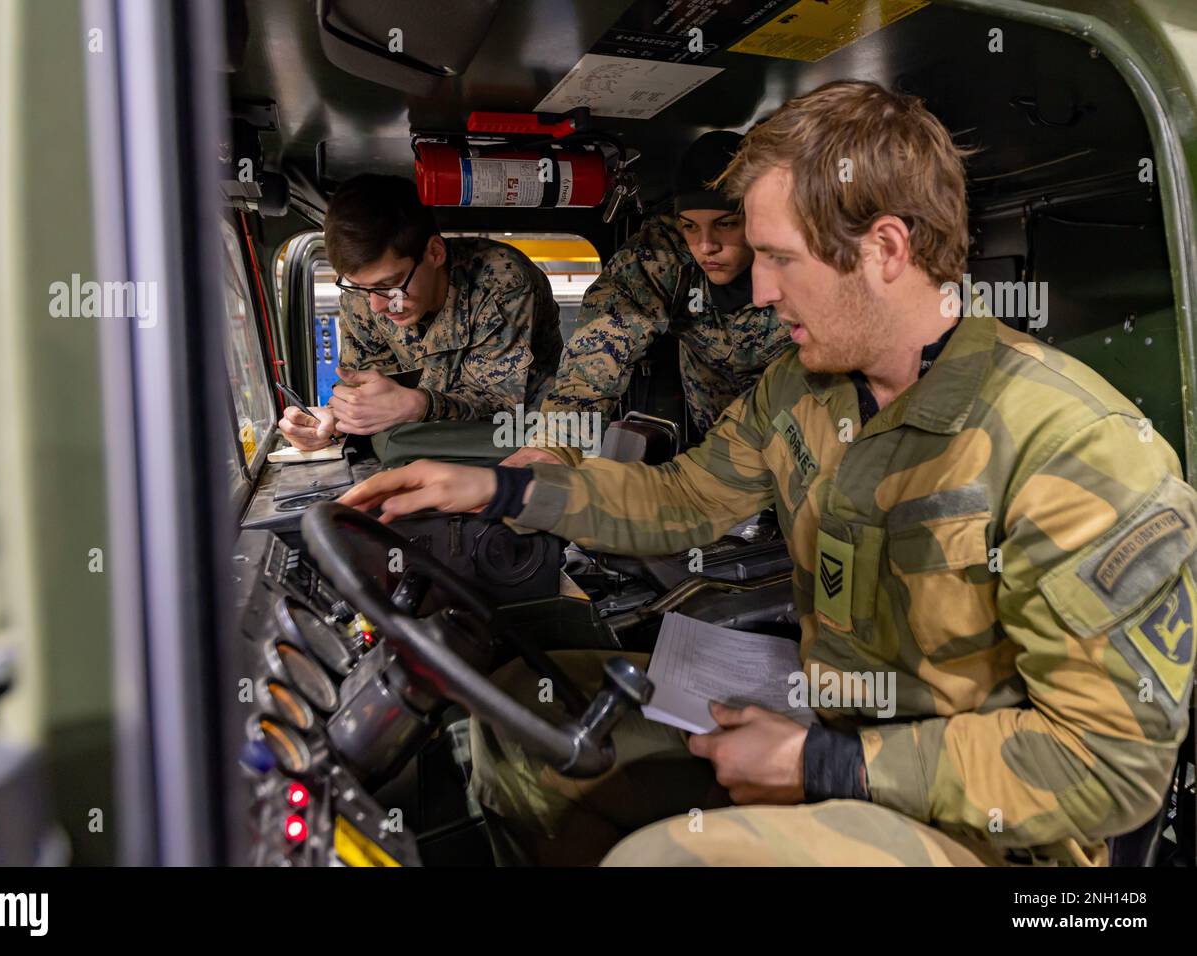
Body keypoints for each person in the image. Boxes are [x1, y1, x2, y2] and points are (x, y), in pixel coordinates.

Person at [338, 81, 1196, 867]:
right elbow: (682, 501)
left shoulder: (1076, 452)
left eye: (779, 257)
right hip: (826, 732)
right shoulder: (805, 388)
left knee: (661, 861)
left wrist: (825, 765)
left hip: (984, 833)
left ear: (886, 249)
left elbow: (1110, 766)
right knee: (527, 718)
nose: (757, 283)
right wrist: (504, 489)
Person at [503, 131, 789, 467]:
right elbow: (604, 337)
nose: (706, 245)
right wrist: (555, 444)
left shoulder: (803, 256)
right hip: (720, 438)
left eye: (726, 223)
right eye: (690, 226)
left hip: (801, 430)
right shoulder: (665, 250)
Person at [279, 174, 562, 447]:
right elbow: (364, 384)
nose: (377, 305)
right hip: (419, 443)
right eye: (360, 288)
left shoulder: (501, 281)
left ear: (435, 253)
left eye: (389, 284)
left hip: (527, 440)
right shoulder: (364, 295)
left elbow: (502, 407)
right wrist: (335, 422)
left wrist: (418, 404)